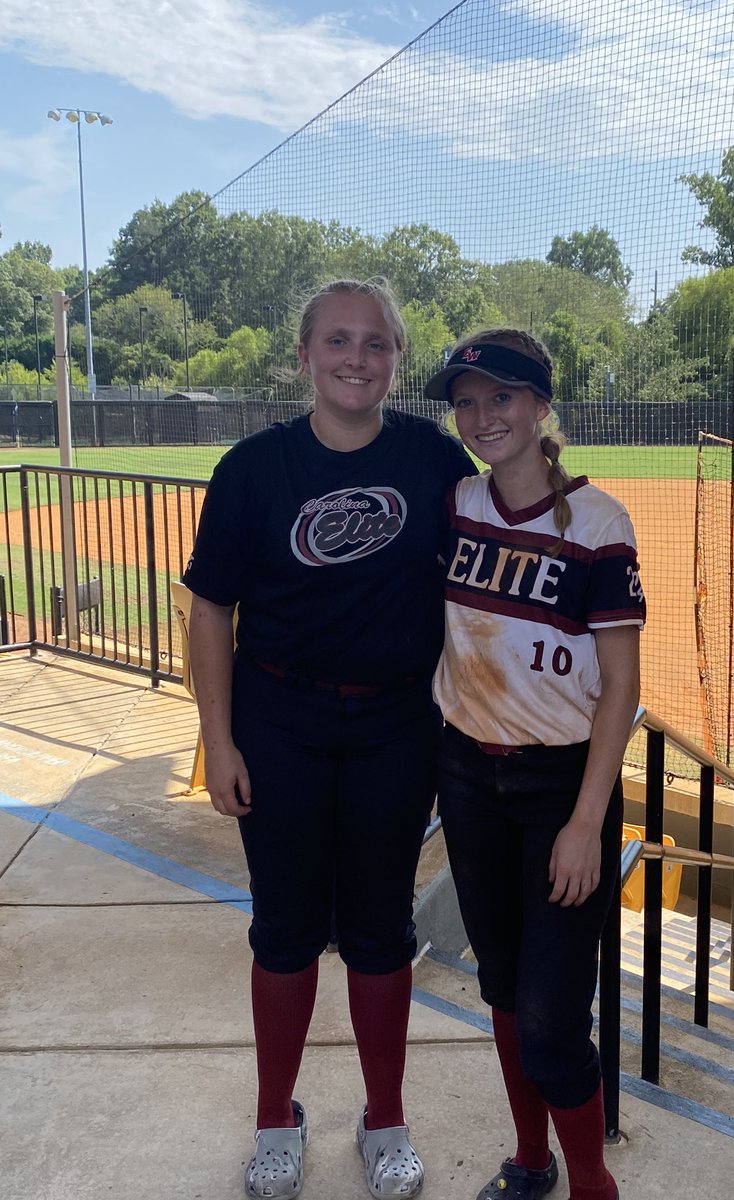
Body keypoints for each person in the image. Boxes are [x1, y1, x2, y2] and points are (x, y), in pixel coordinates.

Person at [183, 278, 476, 1200]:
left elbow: (501, 531)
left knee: (383, 933)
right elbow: (210, 611)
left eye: (376, 343)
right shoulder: (252, 472)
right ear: (303, 355)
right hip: (281, 724)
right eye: (339, 341)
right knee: (285, 934)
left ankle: (383, 1118)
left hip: (394, 725)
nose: (357, 359)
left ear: (395, 358)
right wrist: (218, 739)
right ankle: (278, 1118)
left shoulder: (432, 461)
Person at [424, 330, 645, 1200]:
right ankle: (530, 1158)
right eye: (468, 401)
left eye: (503, 397)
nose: (483, 417)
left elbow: (621, 688)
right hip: (469, 777)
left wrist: (588, 822)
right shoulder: (456, 505)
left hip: (561, 789)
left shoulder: (598, 523)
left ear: (542, 406)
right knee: (504, 989)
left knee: (555, 1020)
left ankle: (592, 1181)